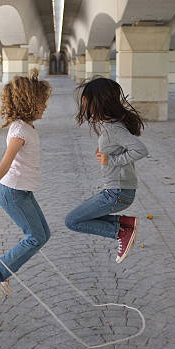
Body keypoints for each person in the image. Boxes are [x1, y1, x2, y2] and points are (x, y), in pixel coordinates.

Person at [0, 69, 52, 299]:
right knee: (36, 237)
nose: (45, 106)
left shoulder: (25, 127)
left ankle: (2, 274)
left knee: (43, 234)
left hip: (22, 191)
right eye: (42, 102)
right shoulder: (19, 131)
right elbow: (4, 164)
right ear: (29, 102)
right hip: (12, 192)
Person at [65, 77, 148, 264]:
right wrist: (104, 151)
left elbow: (140, 150)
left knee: (73, 221)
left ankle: (120, 232)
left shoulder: (113, 128)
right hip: (117, 191)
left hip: (117, 193)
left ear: (98, 102)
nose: (84, 106)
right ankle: (125, 224)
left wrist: (112, 159)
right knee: (77, 218)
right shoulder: (109, 125)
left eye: (87, 101)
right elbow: (118, 145)